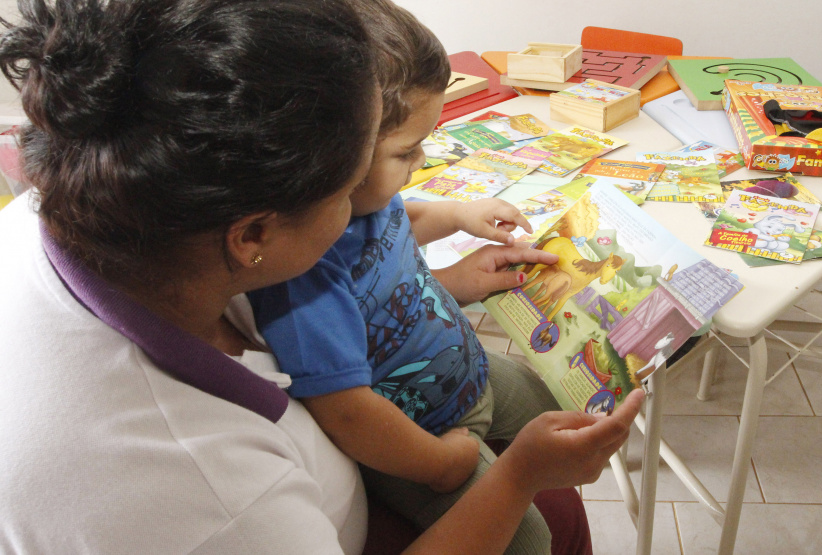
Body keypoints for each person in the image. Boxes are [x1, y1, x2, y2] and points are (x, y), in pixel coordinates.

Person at [0, 1, 644, 554]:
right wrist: (511, 479)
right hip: (389, 479)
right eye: (354, 178)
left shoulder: (97, 193)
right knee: (540, 529)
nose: (385, 191)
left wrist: (445, 281)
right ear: (254, 235)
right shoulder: (216, 500)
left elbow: (375, 280)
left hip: (433, 405)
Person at [247, 2, 576, 551]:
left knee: (552, 411)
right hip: (415, 441)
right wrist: (440, 465)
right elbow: (347, 412)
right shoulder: (302, 270)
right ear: (336, 155)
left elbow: (403, 218)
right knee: (528, 541)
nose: (421, 161)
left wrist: (457, 215)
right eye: (405, 152)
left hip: (468, 373)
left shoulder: (371, 197)